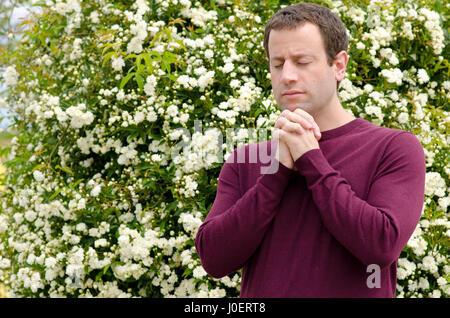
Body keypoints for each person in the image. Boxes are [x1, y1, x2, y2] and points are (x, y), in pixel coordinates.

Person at [195, 2, 426, 297]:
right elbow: (214, 259)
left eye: (302, 61)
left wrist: (310, 158)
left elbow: (381, 246)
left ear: (338, 65)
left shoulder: (392, 148)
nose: (287, 76)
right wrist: (275, 173)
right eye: (277, 64)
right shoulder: (245, 161)